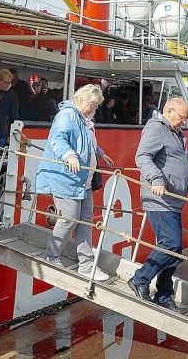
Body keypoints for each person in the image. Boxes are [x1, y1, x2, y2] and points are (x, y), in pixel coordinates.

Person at [128, 97, 188, 314]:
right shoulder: (156, 128)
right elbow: (142, 156)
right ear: (170, 111)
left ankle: (164, 295)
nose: (184, 121)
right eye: (182, 117)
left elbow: (185, 165)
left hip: (173, 200)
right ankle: (140, 279)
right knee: (170, 244)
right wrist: (156, 178)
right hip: (159, 199)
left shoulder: (177, 134)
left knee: (176, 250)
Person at [35, 84, 113, 281]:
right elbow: (57, 139)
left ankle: (87, 266)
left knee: (85, 222)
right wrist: (70, 155)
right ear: (81, 101)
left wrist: (100, 153)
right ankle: (50, 256)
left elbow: (87, 143)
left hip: (82, 181)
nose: (94, 110)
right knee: (69, 218)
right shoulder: (67, 116)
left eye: (96, 107)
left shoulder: (83, 119)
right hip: (66, 178)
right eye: (92, 106)